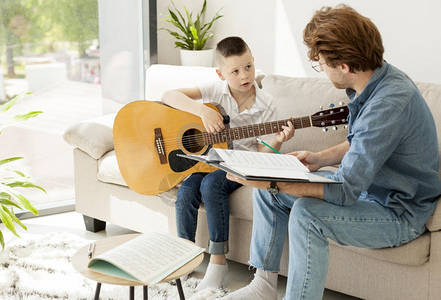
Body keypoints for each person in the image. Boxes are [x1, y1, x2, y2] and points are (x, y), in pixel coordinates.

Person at [221, 5, 441, 300]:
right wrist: (319, 158)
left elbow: (345, 191)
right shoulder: (373, 84)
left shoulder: (388, 102)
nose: (321, 69)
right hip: (371, 191)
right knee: (268, 193)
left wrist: (271, 180)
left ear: (345, 66)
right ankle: (263, 287)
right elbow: (364, 142)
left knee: (306, 214)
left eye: (321, 62)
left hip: (399, 212)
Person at [161, 36, 294, 291]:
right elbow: (169, 95)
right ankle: (183, 257)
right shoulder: (214, 90)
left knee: (211, 185)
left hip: (241, 163)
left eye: (248, 67)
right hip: (207, 160)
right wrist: (201, 111)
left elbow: (261, 154)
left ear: (254, 61)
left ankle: (218, 262)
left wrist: (277, 141)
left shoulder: (268, 105)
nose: (245, 75)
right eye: (235, 71)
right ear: (221, 74)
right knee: (187, 191)